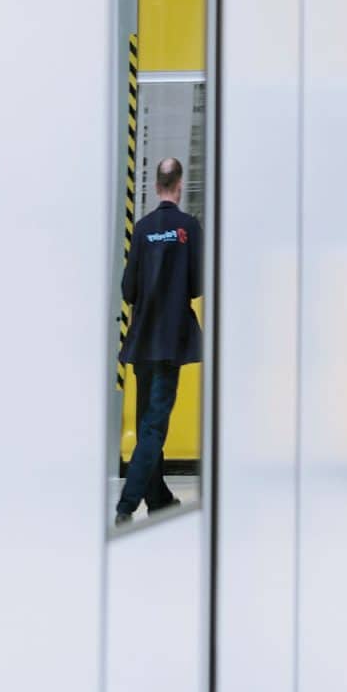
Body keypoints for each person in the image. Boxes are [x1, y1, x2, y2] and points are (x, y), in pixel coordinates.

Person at [117, 156, 204, 526]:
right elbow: (198, 283)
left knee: (146, 423)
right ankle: (126, 505)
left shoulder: (142, 228)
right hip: (171, 342)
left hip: (142, 344)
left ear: (156, 186)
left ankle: (160, 499)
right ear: (179, 185)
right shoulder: (189, 228)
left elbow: (128, 289)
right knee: (154, 429)